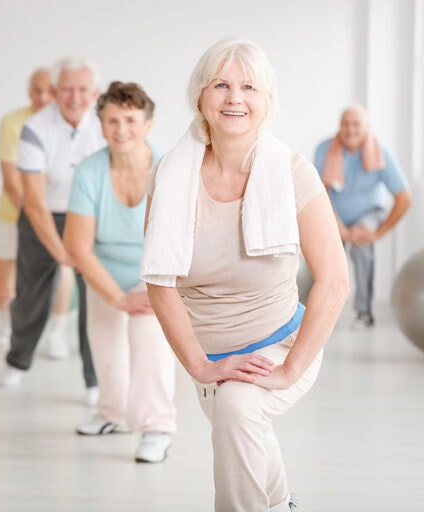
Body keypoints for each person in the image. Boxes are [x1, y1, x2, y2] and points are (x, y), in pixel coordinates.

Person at [140, 38, 349, 511]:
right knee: (243, 430)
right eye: (221, 85)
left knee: (237, 407)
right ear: (200, 97)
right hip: (211, 355)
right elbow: (159, 282)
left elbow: (335, 281)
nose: (235, 97)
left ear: (266, 100)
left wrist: (289, 370)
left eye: (249, 87)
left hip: (282, 343)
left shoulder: (293, 173)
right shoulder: (170, 176)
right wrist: (199, 365)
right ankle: (280, 504)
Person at [63, 81, 178, 463]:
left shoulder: (169, 168)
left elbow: (185, 237)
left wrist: (155, 290)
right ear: (101, 126)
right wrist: (116, 297)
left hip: (154, 274)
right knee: (107, 349)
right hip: (105, 273)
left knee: (148, 340)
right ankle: (113, 415)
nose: (121, 129)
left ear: (148, 125)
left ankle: (157, 427)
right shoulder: (90, 171)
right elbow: (77, 246)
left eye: (130, 120)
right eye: (112, 121)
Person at [0, 57, 106, 406]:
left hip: (91, 216)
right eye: (67, 88)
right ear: (56, 90)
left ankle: (94, 379)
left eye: (83, 89)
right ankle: (17, 361)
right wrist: (62, 254)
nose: (75, 96)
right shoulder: (36, 127)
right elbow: (33, 202)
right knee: (30, 295)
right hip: (42, 214)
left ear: (95, 92)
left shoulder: (105, 123)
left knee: (95, 298)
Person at [0, 67, 76, 359]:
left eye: (48, 91)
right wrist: (33, 217)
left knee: (62, 271)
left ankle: (57, 332)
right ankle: (8, 325)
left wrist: (46, 218)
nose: (42, 97)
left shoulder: (68, 124)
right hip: (14, 214)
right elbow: (11, 181)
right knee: (5, 287)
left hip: (57, 216)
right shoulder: (13, 122)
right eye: (36, 91)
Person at [314, 105, 411, 328]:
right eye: (345, 124)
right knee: (324, 252)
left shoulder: (382, 152)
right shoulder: (324, 149)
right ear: (339, 126)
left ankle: (363, 312)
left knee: (361, 245)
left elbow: (404, 198)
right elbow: (319, 194)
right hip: (333, 213)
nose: (350, 129)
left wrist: (379, 233)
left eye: (356, 124)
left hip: (368, 213)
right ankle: (322, 311)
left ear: (367, 127)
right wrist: (341, 231)